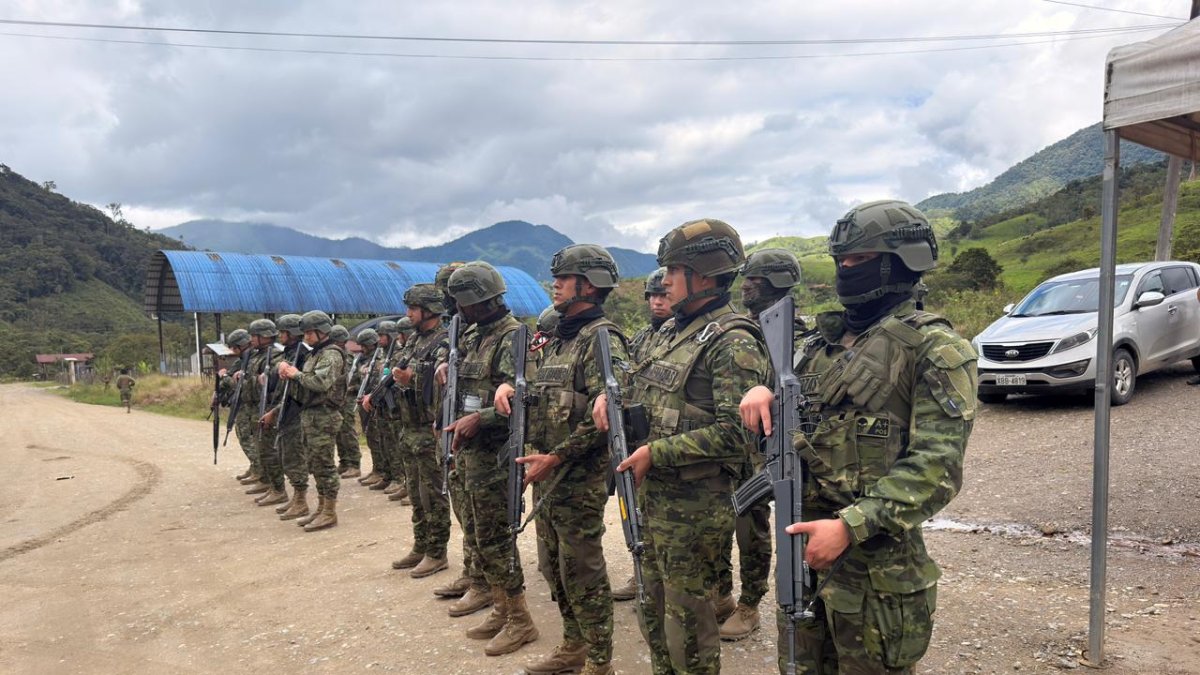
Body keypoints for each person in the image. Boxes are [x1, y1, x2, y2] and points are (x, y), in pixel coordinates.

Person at [738, 200, 977, 674]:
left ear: (900, 261)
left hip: (876, 576)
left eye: (859, 260)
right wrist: (762, 393)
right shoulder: (814, 347)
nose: (845, 271)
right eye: (841, 261)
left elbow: (937, 468)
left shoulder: (935, 349)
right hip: (803, 555)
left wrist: (850, 526)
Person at [594, 219, 769, 675]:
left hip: (695, 510)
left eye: (674, 270)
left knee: (688, 629)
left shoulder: (732, 340)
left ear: (705, 275)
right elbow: (648, 393)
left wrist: (658, 453)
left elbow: (738, 434)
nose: (665, 281)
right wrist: (611, 398)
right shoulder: (674, 332)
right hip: (656, 502)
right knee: (653, 615)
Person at [500, 245, 627, 675]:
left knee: (583, 572)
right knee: (553, 567)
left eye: (563, 277)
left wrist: (556, 457)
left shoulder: (602, 338)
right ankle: (573, 644)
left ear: (588, 285)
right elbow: (542, 397)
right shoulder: (560, 341)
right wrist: (510, 389)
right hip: (546, 477)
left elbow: (607, 414)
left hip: (577, 479)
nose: (554, 284)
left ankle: (599, 660)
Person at [443, 261, 540, 656]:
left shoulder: (514, 338)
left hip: (496, 457)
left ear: (481, 301)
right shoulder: (473, 335)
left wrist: (479, 418)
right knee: (479, 536)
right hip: (470, 454)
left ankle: (520, 620)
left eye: (462, 302)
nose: (457, 309)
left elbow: (524, 398)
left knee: (497, 540)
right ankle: (500, 606)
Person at [716, 248, 805, 642]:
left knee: (754, 528)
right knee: (723, 524)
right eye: (746, 278)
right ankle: (722, 594)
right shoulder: (737, 330)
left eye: (756, 279)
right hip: (733, 447)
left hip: (771, 448)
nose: (746, 285)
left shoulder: (798, 337)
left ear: (779, 281)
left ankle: (750, 603)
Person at [367, 284, 452, 578]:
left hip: (428, 430)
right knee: (415, 493)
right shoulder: (414, 340)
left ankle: (437, 552)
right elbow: (396, 372)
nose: (408, 314)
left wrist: (409, 379)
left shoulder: (444, 342)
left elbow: (442, 387)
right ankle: (421, 544)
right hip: (408, 427)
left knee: (432, 495)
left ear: (429, 310)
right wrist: (377, 393)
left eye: (413, 308)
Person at [431, 261, 495, 615]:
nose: (452, 304)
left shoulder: (504, 335)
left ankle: (487, 584)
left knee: (486, 524)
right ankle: (473, 573)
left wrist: (481, 417)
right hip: (460, 438)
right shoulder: (465, 332)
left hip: (488, 444)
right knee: (466, 513)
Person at [611, 266, 672, 604]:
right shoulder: (642, 338)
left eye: (664, 295)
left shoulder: (686, 338)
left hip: (668, 441)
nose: (658, 302)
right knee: (639, 513)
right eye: (653, 296)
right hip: (640, 437)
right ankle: (643, 577)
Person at [277, 310, 346, 532]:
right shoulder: (315, 354)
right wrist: (287, 372)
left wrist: (295, 374)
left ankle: (329, 511)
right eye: (304, 332)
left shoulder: (331, 355)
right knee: (314, 464)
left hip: (324, 416)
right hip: (311, 415)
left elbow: (320, 383)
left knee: (324, 464)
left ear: (322, 331)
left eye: (309, 332)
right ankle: (321, 507)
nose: (305, 337)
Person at [264, 314, 312, 521]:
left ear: (292, 333)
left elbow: (299, 388)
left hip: (295, 412)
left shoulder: (303, 355)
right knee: (285, 455)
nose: (280, 335)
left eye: (283, 332)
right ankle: (296, 497)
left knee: (294, 457)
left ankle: (301, 500)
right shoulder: (290, 354)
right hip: (285, 410)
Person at [246, 318, 289, 508]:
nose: (251, 339)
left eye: (254, 336)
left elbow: (275, 383)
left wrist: (262, 379)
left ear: (264, 336)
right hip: (257, 405)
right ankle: (270, 484)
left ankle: (279, 489)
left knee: (270, 450)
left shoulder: (276, 356)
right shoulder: (258, 355)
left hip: (269, 405)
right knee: (261, 449)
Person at [221, 329, 268, 495]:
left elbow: (241, 382)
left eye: (235, 347)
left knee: (250, 438)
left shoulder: (254, 358)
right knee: (245, 436)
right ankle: (255, 467)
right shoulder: (243, 359)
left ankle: (259, 470)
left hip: (253, 403)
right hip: (244, 402)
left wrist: (226, 378)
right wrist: (227, 378)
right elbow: (231, 377)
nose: (233, 351)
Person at [361, 320, 400, 492]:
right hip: (380, 405)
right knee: (383, 442)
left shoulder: (398, 354)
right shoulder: (383, 355)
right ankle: (387, 474)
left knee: (393, 444)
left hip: (393, 405)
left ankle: (399, 478)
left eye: (382, 335)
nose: (379, 338)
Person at [329, 324, 363, 479]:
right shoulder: (332, 355)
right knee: (338, 432)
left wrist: (351, 388)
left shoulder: (349, 357)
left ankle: (354, 464)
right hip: (336, 398)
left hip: (348, 399)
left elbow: (353, 379)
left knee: (348, 431)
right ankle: (344, 462)